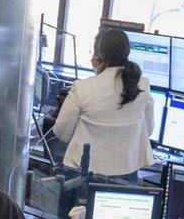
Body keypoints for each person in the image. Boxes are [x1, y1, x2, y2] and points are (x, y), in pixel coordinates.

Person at [51, 27, 154, 182]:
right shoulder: (142, 85)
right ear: (127, 51)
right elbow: (149, 130)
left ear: (98, 54)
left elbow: (62, 134)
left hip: (83, 177)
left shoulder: (83, 88)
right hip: (126, 177)